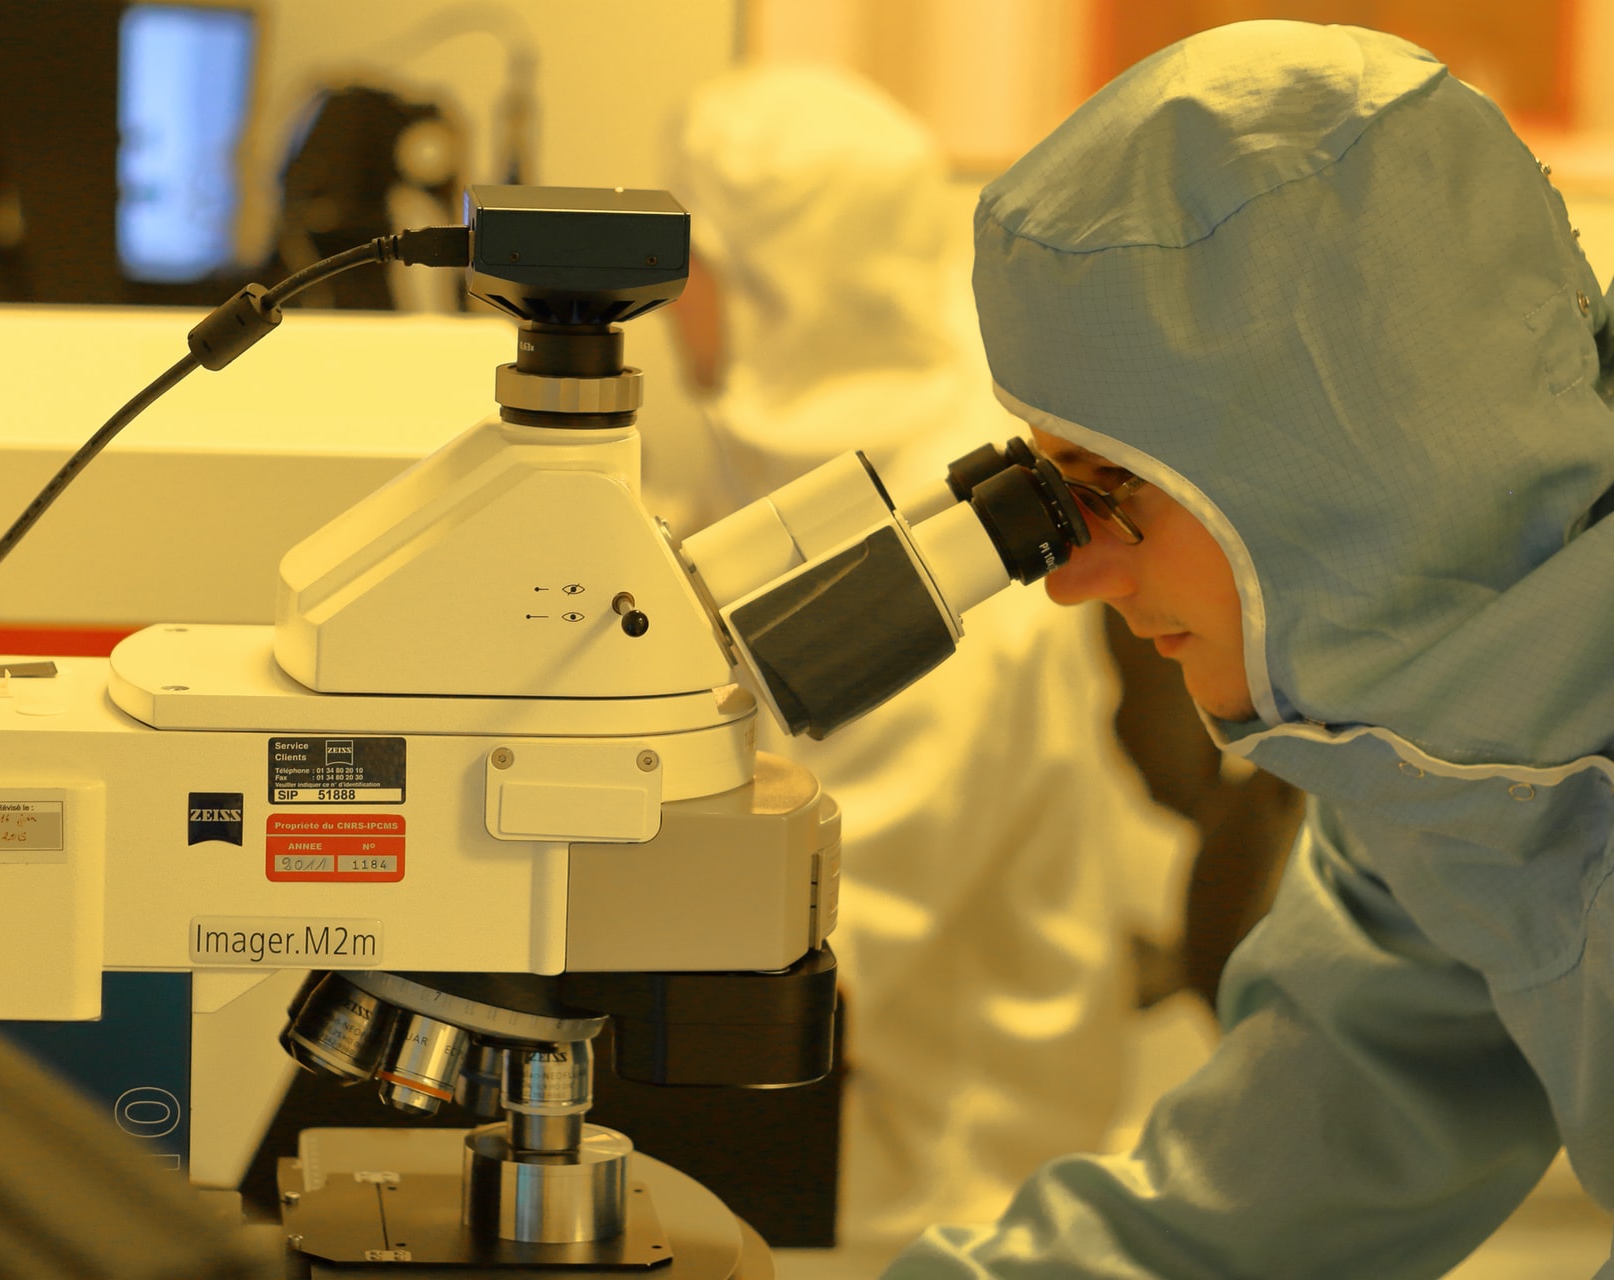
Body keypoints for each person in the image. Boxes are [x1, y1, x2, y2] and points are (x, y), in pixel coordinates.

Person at [887, 19, 1614, 1279]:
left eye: (1113, 486)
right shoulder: (1447, 763)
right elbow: (1273, 1178)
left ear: (1355, 456)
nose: (1073, 579)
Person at [656, 64, 1193, 1246]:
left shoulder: (939, 550)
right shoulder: (791, 457)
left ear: (769, 276)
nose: (663, 301)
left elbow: (807, 948)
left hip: (931, 1192)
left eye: (688, 256)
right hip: (827, 1149)